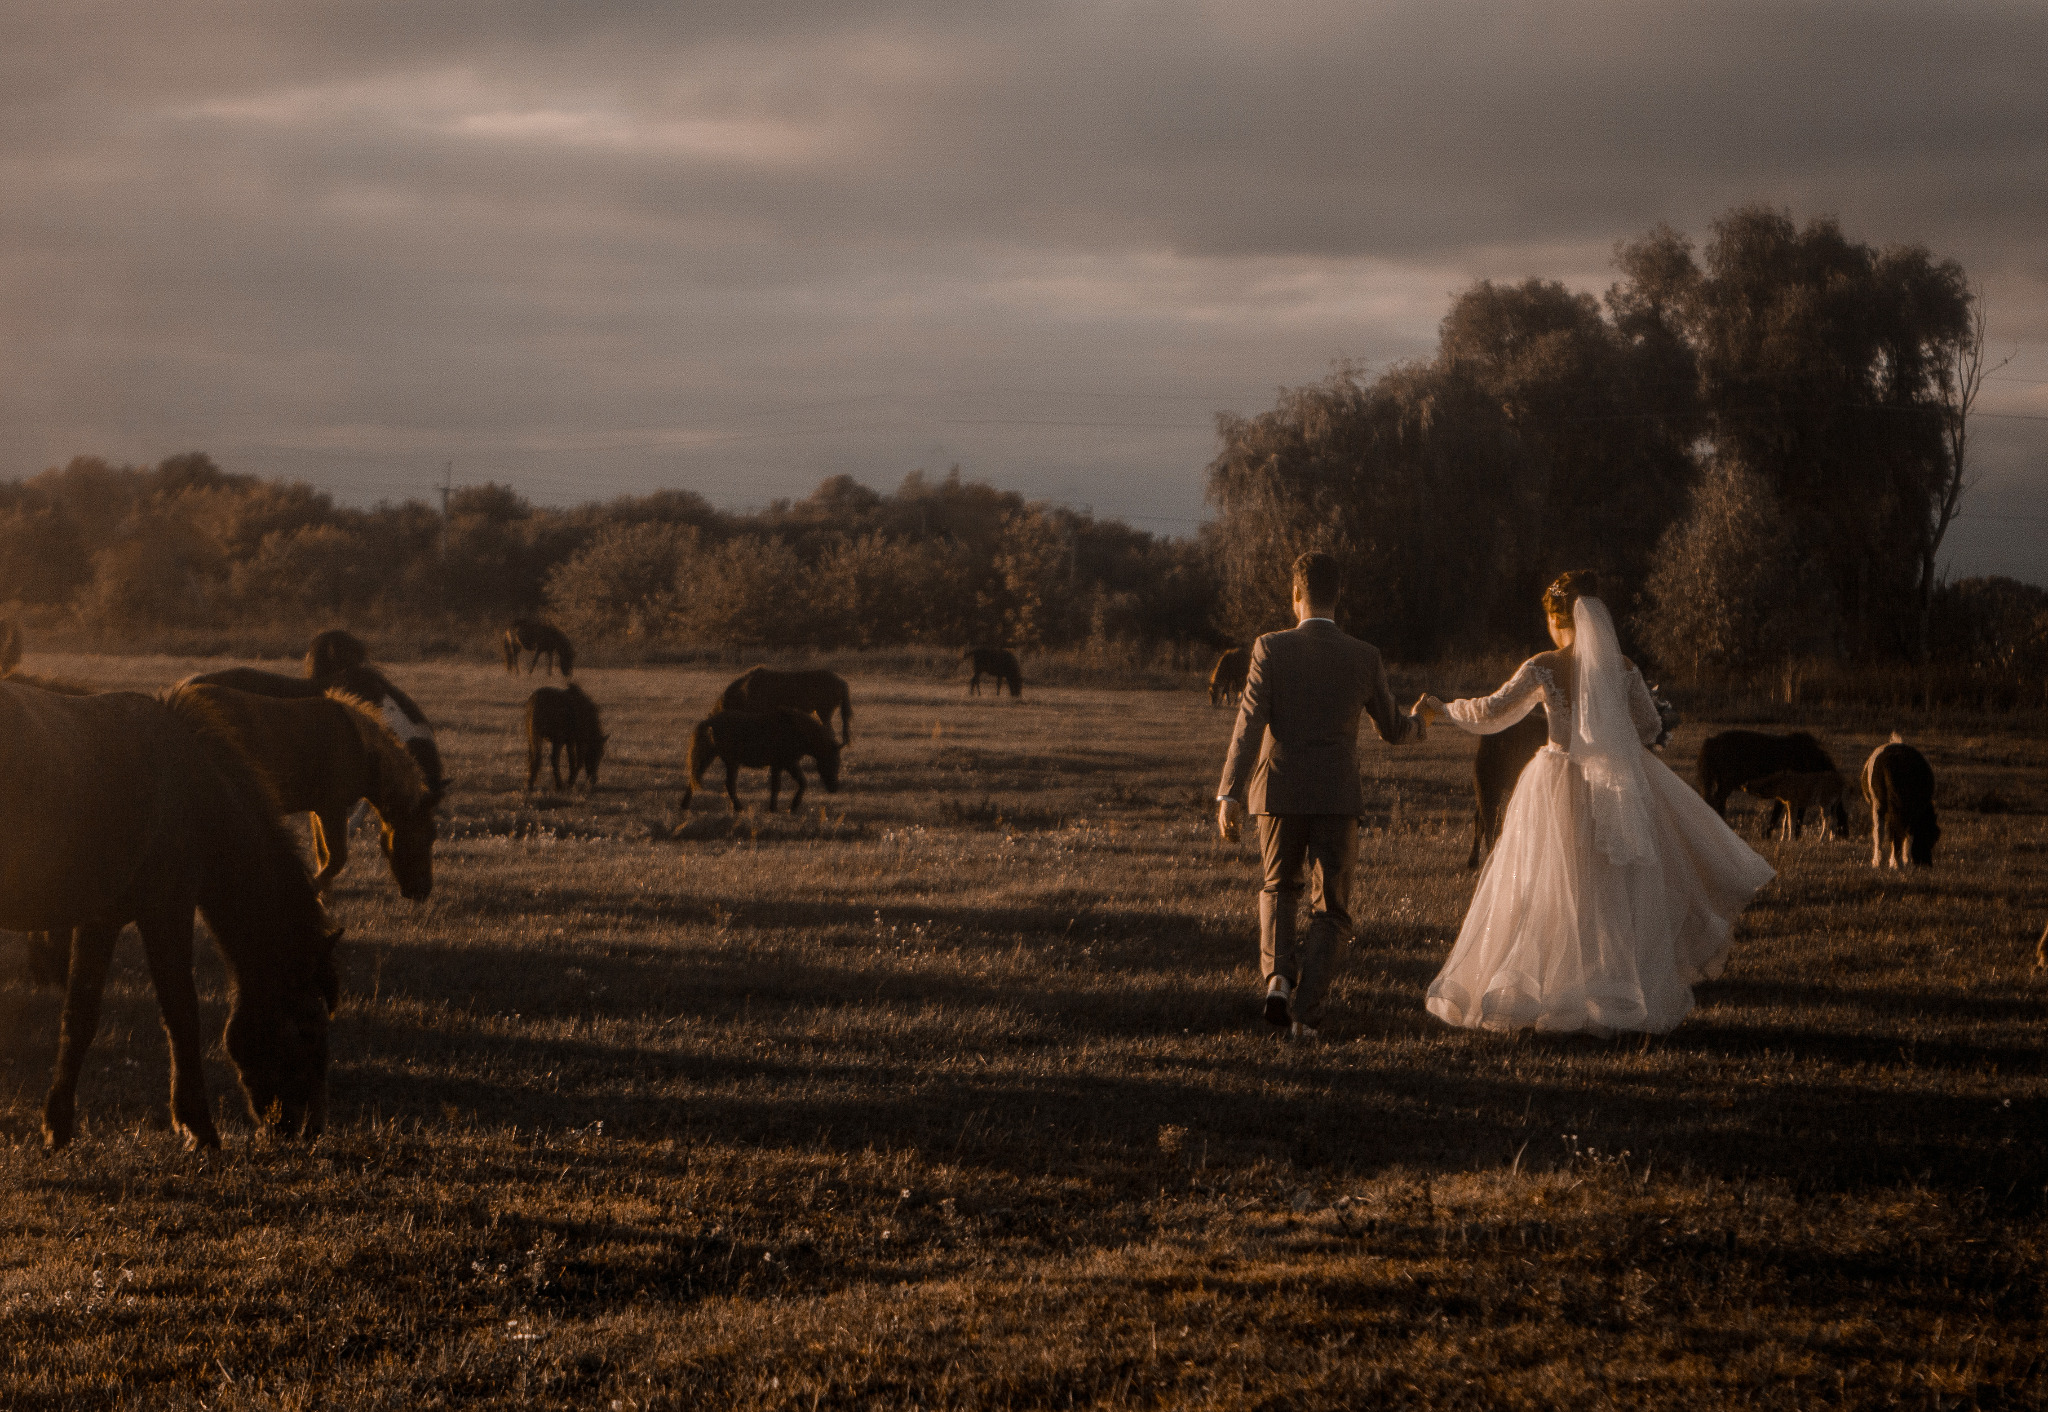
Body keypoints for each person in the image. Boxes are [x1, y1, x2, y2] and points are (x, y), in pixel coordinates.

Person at [1412, 570, 1774, 1035]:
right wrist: (1611, 736)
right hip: (1613, 790)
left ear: (1556, 617)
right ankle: (1612, 995)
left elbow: (1493, 711)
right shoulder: (1623, 669)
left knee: (1547, 888)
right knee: (1608, 893)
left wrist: (1444, 708)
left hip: (1556, 782)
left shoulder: (1544, 665)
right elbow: (1647, 728)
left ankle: (1546, 994)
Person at [1215, 551, 1419, 1038]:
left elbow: (1249, 725)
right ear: (1338, 596)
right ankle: (1306, 1013)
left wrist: (1230, 793)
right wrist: (1420, 722)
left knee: (1279, 888)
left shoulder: (1269, 647)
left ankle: (1279, 981)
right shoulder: (1364, 655)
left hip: (1278, 791)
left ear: (1295, 595)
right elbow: (1393, 729)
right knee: (1331, 908)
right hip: (1336, 796)